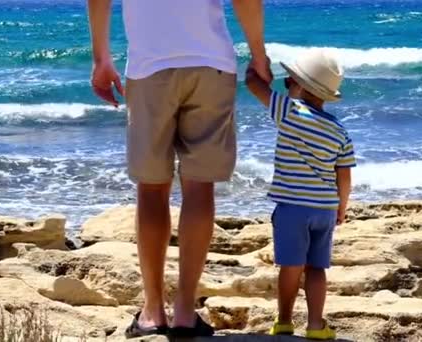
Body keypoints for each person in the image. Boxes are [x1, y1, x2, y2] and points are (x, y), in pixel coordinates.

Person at [87, 0, 271, 338]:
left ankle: (153, 310)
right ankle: (185, 310)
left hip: (149, 67)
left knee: (152, 187)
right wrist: (258, 54)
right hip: (211, 64)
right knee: (200, 187)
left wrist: (101, 58)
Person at [245, 49, 355, 340]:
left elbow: (253, 86)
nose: (286, 88)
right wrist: (341, 208)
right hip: (325, 210)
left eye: (288, 83)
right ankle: (316, 325)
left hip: (293, 207)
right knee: (317, 267)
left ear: (301, 86)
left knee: (291, 266)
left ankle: (283, 321)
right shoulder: (339, 131)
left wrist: (256, 63)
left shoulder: (289, 111)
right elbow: (344, 175)